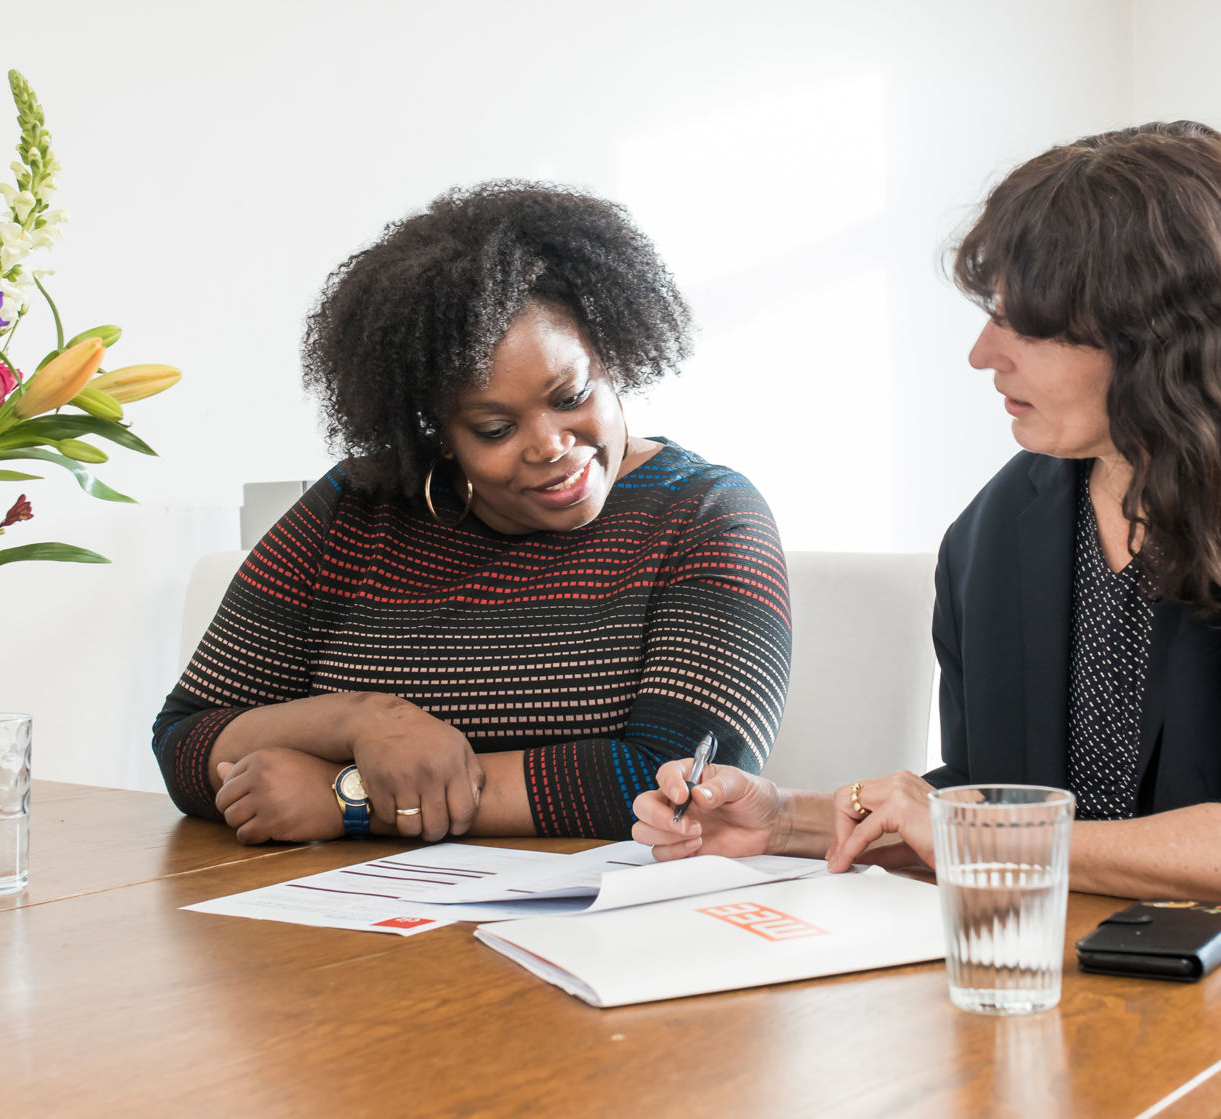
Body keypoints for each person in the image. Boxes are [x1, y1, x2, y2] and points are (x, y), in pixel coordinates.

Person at [632, 123, 1221, 1117]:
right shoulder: (995, 529)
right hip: (1093, 1027)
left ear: (1157, 333)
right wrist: (786, 819)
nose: (980, 354)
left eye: (1024, 325)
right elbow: (1002, 798)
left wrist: (967, 833)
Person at [154, 182, 790, 845]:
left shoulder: (706, 515)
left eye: (571, 394)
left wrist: (349, 797)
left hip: (602, 931)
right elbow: (186, 739)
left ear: (611, 354)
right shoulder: (354, 509)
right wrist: (362, 720)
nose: (551, 445)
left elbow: (684, 785)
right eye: (494, 428)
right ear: (438, 435)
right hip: (353, 925)